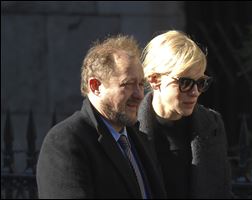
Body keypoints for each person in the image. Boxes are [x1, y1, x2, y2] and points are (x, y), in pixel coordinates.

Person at [36, 35, 166, 199]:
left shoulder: (139, 139)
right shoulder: (65, 142)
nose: (140, 95)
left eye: (141, 84)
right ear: (95, 86)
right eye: (127, 84)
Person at [138, 30, 232, 199]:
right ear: (154, 80)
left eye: (200, 82)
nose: (195, 92)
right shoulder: (127, 129)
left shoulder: (212, 124)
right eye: (185, 82)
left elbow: (222, 191)